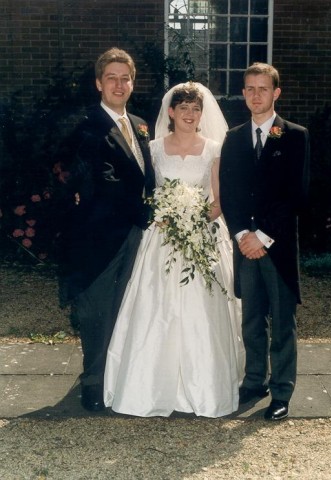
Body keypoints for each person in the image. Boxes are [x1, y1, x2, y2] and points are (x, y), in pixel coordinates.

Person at [103, 82, 244, 418]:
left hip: (201, 235)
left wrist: (194, 220)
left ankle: (205, 388)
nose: (190, 115)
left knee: (204, 311)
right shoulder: (153, 148)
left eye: (196, 109)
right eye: (184, 109)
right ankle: (149, 386)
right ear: (171, 112)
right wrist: (166, 216)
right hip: (161, 237)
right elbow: (146, 194)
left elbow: (219, 200)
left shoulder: (214, 148)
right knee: (155, 308)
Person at [57, 48, 155, 412]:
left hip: (134, 234)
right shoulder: (88, 127)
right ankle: (93, 384)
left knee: (126, 307)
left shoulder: (140, 124)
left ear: (132, 83)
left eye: (124, 78)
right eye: (111, 78)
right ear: (99, 83)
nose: (118, 84)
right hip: (98, 239)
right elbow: (104, 182)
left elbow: (147, 176)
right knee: (96, 311)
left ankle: (118, 377)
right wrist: (148, 211)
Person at [219, 63, 310, 421]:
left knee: (282, 321)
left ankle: (282, 390)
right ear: (243, 93)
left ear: (276, 93)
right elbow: (229, 192)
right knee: (252, 319)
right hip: (245, 245)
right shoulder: (234, 137)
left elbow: (295, 194)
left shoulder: (295, 136)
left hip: (277, 245)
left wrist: (263, 236)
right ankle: (255, 380)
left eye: (263, 88)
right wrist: (242, 234)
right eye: (250, 89)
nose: (256, 95)